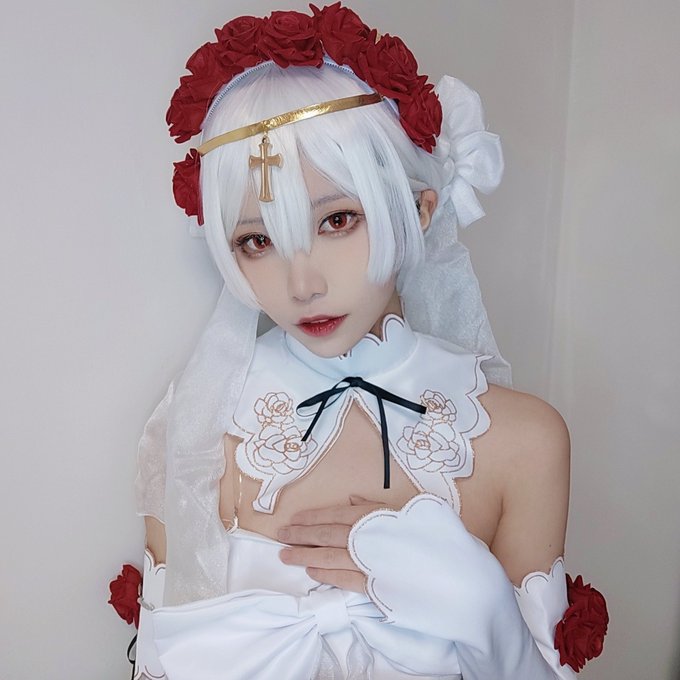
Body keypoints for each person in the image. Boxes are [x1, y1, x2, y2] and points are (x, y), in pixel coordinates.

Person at [134, 4, 607, 679]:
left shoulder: (525, 441)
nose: (302, 284)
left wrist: (486, 613)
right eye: (257, 240)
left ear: (419, 210)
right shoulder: (195, 428)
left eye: (337, 221)